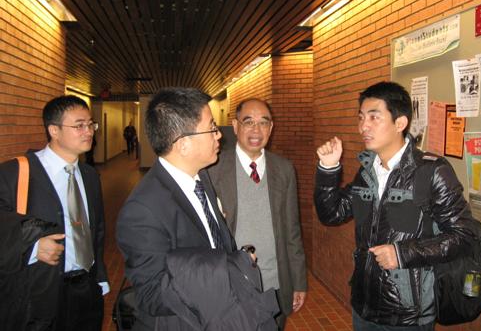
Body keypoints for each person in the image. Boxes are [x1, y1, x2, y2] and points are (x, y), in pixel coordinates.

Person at [314, 81, 481, 330]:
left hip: (408, 316)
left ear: (400, 123)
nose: (363, 126)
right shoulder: (367, 172)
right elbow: (332, 214)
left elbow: (465, 236)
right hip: (364, 306)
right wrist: (328, 170)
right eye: (361, 117)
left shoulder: (431, 171)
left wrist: (402, 254)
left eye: (374, 117)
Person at [116, 88, 278, 330]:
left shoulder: (200, 177)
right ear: (183, 144)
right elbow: (152, 294)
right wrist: (233, 266)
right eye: (211, 127)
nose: (218, 135)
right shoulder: (142, 210)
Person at [0, 95, 109, 331]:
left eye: (91, 124)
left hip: (87, 292)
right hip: (41, 295)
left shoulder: (89, 175)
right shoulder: (15, 174)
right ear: (54, 130)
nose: (89, 131)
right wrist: (31, 248)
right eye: (79, 125)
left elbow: (97, 230)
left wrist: (100, 275)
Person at [208, 98, 307, 328]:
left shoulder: (284, 169)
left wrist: (298, 282)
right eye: (248, 122)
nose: (256, 130)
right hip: (231, 283)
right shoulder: (213, 169)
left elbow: (292, 231)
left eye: (263, 123)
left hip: (274, 284)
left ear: (271, 128)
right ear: (235, 126)